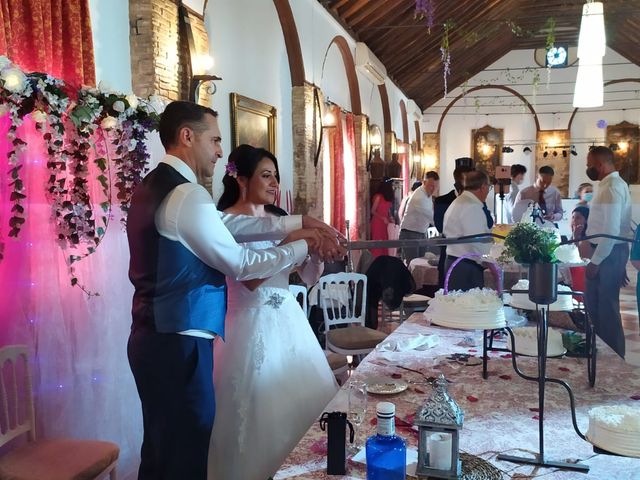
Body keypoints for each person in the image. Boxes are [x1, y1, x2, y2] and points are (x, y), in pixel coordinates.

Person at [126, 101, 343, 480]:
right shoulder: (186, 195)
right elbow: (242, 265)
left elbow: (229, 225)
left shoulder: (156, 186)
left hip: (153, 336)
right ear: (186, 136)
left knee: (163, 450)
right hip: (179, 341)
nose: (219, 151)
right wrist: (303, 244)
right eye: (214, 139)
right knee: (185, 456)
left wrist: (300, 222)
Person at [208, 145, 338, 480]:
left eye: (276, 176)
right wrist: (296, 241)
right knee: (257, 419)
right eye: (266, 175)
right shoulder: (228, 223)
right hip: (248, 327)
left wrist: (316, 253)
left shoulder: (278, 218)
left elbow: (305, 278)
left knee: (305, 414)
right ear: (240, 179)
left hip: (289, 321)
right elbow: (249, 280)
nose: (274, 183)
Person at [584, 146, 631, 358]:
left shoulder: (612, 187)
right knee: (594, 305)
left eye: (589, 164)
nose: (588, 168)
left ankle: (613, 357)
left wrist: (596, 261)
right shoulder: (608, 184)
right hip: (607, 251)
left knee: (607, 309)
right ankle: (600, 354)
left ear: (600, 165)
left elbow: (611, 230)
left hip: (608, 253)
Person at [443, 170, 494, 291]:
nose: (488, 191)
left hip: (455, 262)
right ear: (482, 187)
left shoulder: (458, 202)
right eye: (489, 187)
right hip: (466, 266)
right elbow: (477, 241)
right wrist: (491, 262)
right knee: (469, 308)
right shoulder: (472, 207)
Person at [433, 161, 474, 287]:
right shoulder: (442, 201)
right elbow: (440, 227)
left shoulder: (474, 201)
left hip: (470, 256)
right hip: (449, 254)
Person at [399, 171, 439, 263]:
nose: (434, 189)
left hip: (421, 233)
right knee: (413, 264)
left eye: (436, 186)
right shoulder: (419, 197)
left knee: (420, 263)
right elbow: (432, 218)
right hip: (410, 234)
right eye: (431, 186)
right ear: (424, 183)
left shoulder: (427, 194)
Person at [370, 179, 395, 257]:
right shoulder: (378, 196)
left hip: (386, 222)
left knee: (385, 242)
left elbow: (388, 211)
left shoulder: (388, 197)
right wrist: (382, 218)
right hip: (377, 222)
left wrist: (391, 217)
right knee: (378, 242)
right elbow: (372, 211)